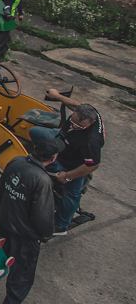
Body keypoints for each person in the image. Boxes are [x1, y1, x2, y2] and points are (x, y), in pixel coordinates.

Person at [0, 131, 61, 304]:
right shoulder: (42, 180)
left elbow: (0, 190)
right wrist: (46, 234)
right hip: (25, 236)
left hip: (5, 224)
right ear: (53, 158)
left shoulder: (16, 162)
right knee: (23, 272)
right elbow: (43, 216)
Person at [44, 89, 105, 235]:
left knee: (72, 194)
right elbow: (76, 104)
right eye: (72, 121)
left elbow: (92, 165)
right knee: (35, 132)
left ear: (90, 123)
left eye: (78, 126)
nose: (73, 126)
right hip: (65, 143)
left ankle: (61, 226)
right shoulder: (91, 112)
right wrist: (58, 96)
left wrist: (67, 176)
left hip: (74, 162)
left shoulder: (90, 142)